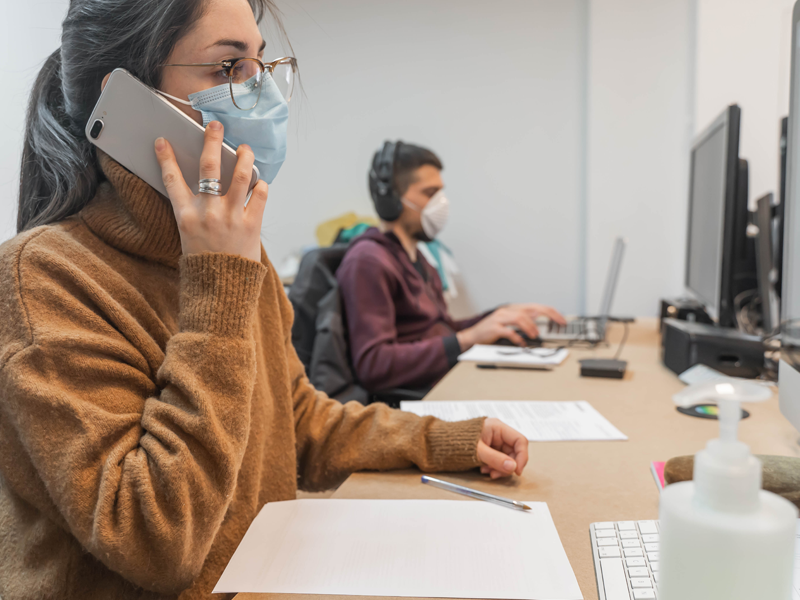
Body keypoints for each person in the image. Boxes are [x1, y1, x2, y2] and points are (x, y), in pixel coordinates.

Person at [0, 3, 529, 599]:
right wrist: (218, 285)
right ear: (126, 103)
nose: (262, 94)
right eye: (229, 67)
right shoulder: (43, 276)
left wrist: (440, 440)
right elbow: (155, 542)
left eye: (261, 64)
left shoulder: (234, 254)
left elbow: (295, 420)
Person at [337, 141, 566, 393]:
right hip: (417, 400)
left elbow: (443, 331)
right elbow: (374, 365)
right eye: (430, 193)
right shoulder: (368, 261)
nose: (441, 204)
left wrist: (501, 315)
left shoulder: (417, 258)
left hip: (443, 382)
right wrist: (467, 339)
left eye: (440, 193)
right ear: (390, 200)